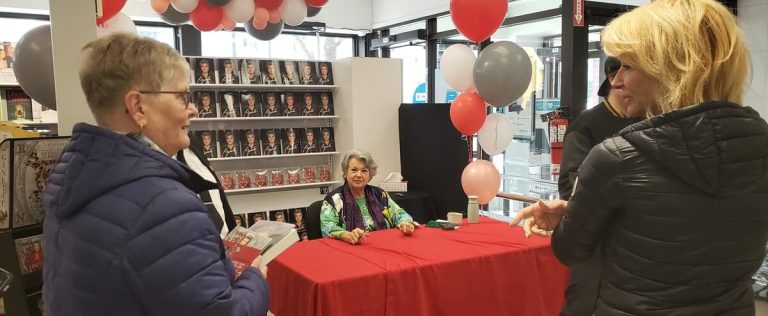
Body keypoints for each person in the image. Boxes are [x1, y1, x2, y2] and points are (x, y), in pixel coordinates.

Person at [511, 1, 768, 314]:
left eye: (628, 66)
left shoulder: (616, 158)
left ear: (671, 69)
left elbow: (571, 250)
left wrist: (579, 210)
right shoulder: (759, 148)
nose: (617, 81)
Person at [42, 33, 268, 315]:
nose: (194, 109)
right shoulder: (165, 205)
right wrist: (256, 280)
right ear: (138, 107)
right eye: (183, 97)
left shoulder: (72, 181)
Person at [556, 57, 641, 316]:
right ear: (613, 82)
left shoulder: (648, 121)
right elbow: (571, 186)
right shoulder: (586, 126)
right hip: (595, 243)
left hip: (636, 243)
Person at [320, 150, 416, 245]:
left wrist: (405, 223)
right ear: (345, 173)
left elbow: (398, 213)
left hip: (383, 245)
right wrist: (346, 235)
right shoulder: (334, 199)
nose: (358, 175)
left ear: (370, 175)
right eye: (354, 170)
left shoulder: (379, 194)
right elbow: (327, 227)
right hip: (350, 249)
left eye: (364, 171)